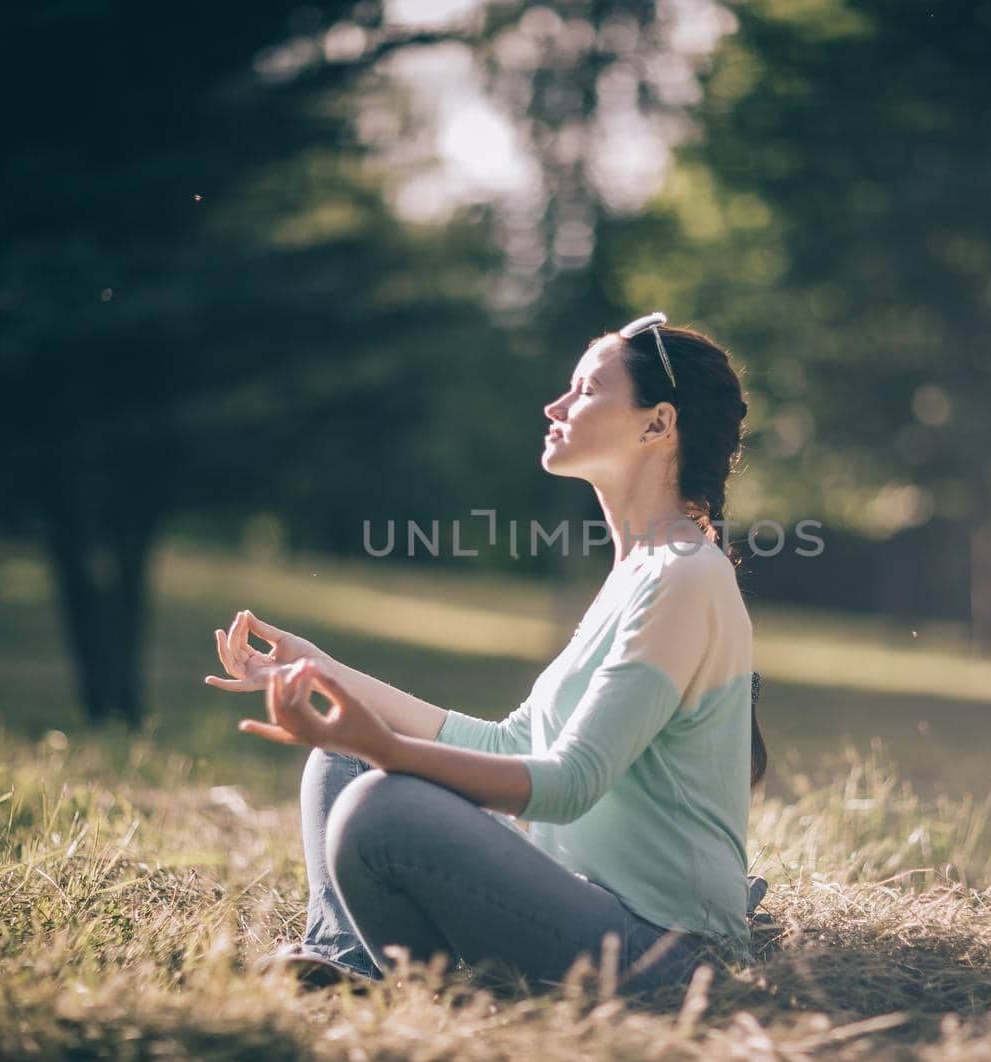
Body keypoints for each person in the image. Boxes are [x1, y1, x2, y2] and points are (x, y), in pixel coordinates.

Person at [204, 312, 768, 995]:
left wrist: (388, 748)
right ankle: (347, 964)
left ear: (657, 426)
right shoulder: (640, 572)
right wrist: (316, 670)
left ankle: (369, 973)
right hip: (582, 913)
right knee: (341, 761)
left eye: (586, 391)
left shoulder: (686, 572)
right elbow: (509, 743)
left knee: (380, 805)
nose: (554, 405)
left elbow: (567, 784)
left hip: (662, 958)